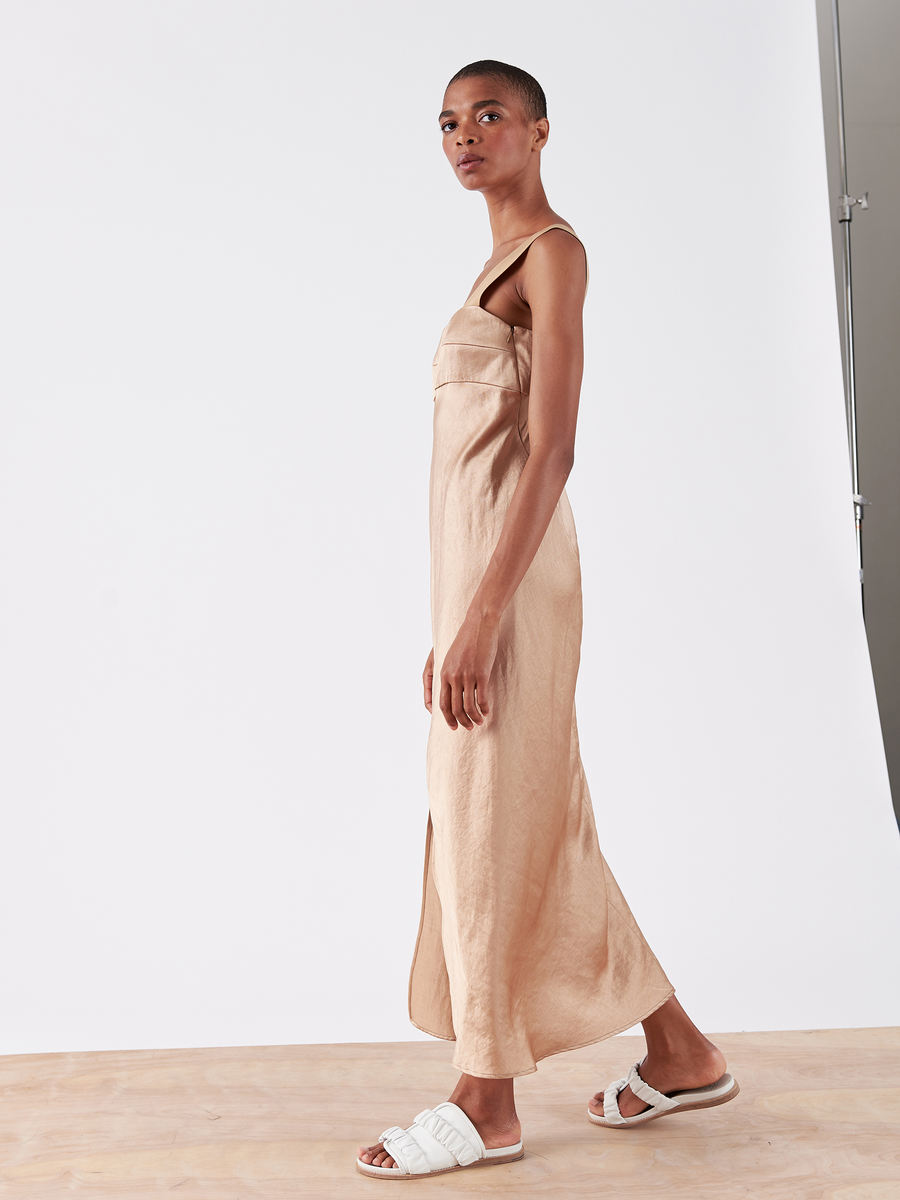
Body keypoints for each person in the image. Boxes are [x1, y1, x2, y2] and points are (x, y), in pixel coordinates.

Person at [356, 60, 738, 1180]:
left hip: (514, 590)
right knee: (534, 816)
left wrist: (482, 616)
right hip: (482, 589)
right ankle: (680, 1052)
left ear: (539, 131)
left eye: (488, 116)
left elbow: (555, 446)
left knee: (486, 821)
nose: (464, 136)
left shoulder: (553, 252)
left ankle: (486, 1100)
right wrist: (457, 611)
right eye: (447, 123)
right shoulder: (488, 269)